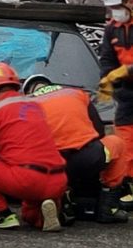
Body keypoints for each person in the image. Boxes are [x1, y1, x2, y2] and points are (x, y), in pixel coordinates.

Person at [0, 63, 67, 231]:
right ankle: (44, 211)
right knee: (29, 214)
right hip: (57, 178)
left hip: (26, 179)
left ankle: (1, 214)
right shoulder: (35, 105)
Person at [24, 74, 128, 223]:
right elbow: (99, 130)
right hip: (89, 156)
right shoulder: (76, 93)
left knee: (30, 212)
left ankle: (59, 204)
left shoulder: (26, 104)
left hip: (53, 166)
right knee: (117, 143)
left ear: (28, 90)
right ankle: (108, 208)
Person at [98, 0, 133, 207]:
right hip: (128, 95)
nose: (114, 12)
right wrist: (108, 82)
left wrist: (123, 72)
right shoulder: (113, 28)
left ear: (130, 1)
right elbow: (107, 59)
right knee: (125, 139)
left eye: (116, 7)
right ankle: (128, 185)